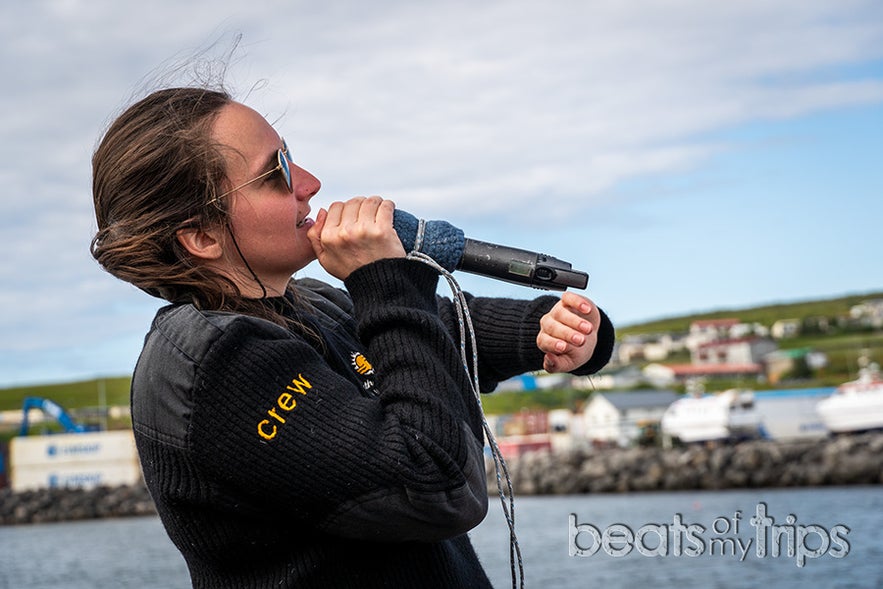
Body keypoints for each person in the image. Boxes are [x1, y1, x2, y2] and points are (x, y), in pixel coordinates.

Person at [91, 85, 614, 589]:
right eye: (278, 172)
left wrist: (565, 329)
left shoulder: (316, 302)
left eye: (292, 157)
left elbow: (451, 332)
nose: (311, 182)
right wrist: (385, 279)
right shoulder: (213, 361)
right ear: (201, 236)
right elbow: (438, 484)